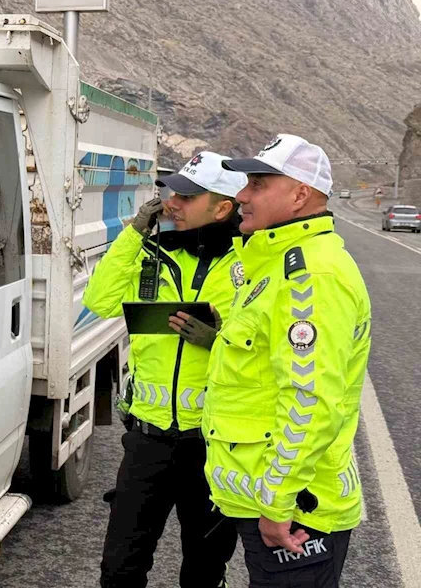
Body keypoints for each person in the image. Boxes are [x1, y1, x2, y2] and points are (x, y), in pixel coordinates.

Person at [204, 134, 372, 587]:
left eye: (258, 184)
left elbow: (310, 400)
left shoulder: (311, 276)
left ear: (300, 195)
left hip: (296, 509)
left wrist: (277, 504)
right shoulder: (272, 265)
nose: (241, 195)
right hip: (269, 498)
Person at [84, 151, 247, 588]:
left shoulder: (248, 267)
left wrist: (218, 341)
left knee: (204, 573)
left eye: (189, 196)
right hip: (146, 443)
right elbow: (99, 301)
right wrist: (133, 233)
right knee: (119, 571)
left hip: (212, 447)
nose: (172, 201)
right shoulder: (148, 252)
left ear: (223, 207)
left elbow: (266, 350)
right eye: (173, 191)